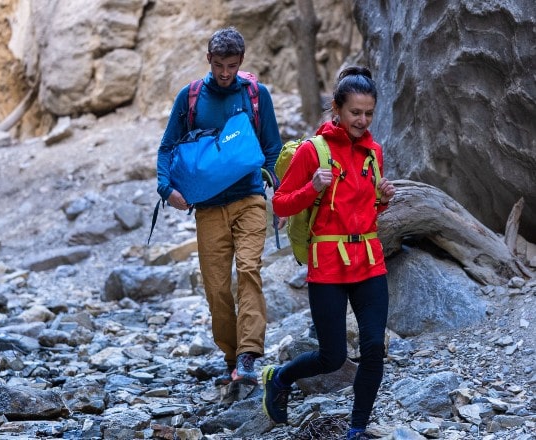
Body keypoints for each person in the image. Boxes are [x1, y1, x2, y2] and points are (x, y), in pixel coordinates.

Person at [262, 66, 396, 440]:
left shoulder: (374, 152)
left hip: (369, 261)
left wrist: (382, 201)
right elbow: (281, 204)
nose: (363, 120)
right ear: (336, 109)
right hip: (328, 267)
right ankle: (280, 377)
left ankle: (356, 430)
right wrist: (310, 188)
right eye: (355, 112)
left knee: (372, 348)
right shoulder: (313, 151)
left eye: (369, 113)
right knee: (332, 356)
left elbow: (364, 211)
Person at [156, 27, 282, 386]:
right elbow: (168, 147)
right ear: (208, 60)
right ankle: (231, 356)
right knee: (216, 289)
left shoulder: (257, 95)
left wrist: (273, 183)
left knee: (248, 269)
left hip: (249, 200)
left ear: (241, 62)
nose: (225, 73)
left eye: (231, 65)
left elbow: (272, 146)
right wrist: (167, 189)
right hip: (209, 207)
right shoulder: (191, 97)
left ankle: (248, 355)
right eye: (219, 65)